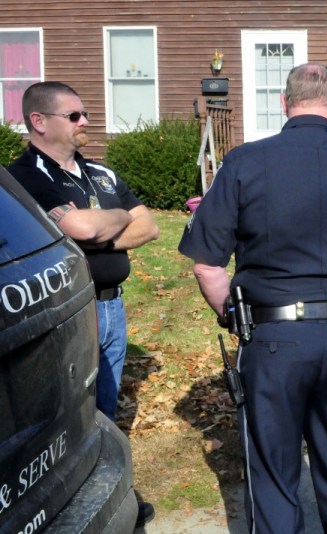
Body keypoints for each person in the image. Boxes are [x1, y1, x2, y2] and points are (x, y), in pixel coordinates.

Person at [178, 63, 327, 533]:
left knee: (272, 472)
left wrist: (236, 316)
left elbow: (207, 264)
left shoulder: (244, 162)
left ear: (284, 104)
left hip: (271, 339)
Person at [9, 81, 159, 527]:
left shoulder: (100, 174)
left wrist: (98, 227)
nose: (85, 123)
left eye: (85, 114)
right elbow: (81, 226)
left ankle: (112, 493)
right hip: (69, 312)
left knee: (106, 408)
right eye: (73, 116)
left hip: (113, 307)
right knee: (73, 417)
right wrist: (111, 223)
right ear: (39, 122)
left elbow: (148, 226)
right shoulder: (25, 177)